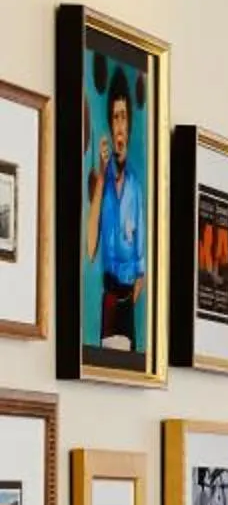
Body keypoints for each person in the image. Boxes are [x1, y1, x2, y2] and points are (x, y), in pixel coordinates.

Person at [83, 62, 145, 354]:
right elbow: (91, 247)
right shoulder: (103, 181)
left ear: (130, 126)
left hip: (127, 300)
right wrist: (102, 169)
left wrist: (134, 288)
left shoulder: (136, 187)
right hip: (109, 296)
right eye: (115, 118)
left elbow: (142, 260)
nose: (119, 127)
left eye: (124, 118)